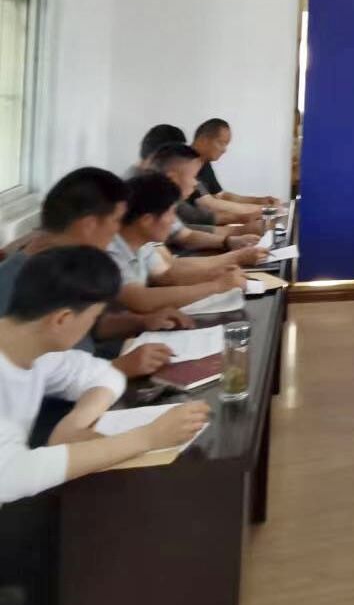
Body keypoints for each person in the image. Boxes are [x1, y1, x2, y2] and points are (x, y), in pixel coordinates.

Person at [0, 246, 209, 506]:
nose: (92, 326)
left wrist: (73, 425)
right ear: (62, 319)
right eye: (93, 317)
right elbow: (10, 475)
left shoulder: (32, 348)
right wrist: (148, 437)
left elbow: (103, 374)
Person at [0, 167, 186, 377]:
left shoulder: (70, 265)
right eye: (116, 220)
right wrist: (116, 368)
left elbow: (89, 327)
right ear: (89, 225)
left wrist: (142, 321)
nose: (118, 231)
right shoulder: (11, 285)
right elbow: (25, 381)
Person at [109, 173, 247, 314]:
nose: (173, 222)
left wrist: (215, 274)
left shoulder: (143, 243)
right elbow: (140, 300)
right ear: (147, 220)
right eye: (171, 213)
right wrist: (216, 286)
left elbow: (165, 276)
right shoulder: (111, 250)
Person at [147, 143, 266, 258]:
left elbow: (186, 235)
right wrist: (235, 256)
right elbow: (169, 268)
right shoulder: (149, 208)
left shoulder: (166, 202)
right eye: (193, 177)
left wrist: (229, 242)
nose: (196, 184)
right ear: (172, 178)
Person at [190, 118, 281, 220]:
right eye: (221, 143)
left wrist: (259, 201)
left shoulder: (204, 162)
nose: (224, 150)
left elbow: (220, 195)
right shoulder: (187, 164)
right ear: (204, 140)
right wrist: (264, 209)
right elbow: (209, 204)